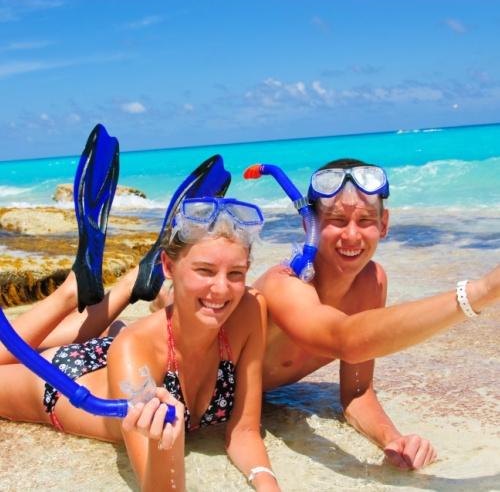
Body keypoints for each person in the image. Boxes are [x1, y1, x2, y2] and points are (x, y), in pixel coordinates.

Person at [0, 179, 280, 489]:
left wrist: (267, 483)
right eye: (205, 270)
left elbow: (244, 432)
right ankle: (73, 291)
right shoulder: (136, 347)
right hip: (66, 380)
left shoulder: (251, 309)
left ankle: (121, 289)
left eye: (236, 274)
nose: (222, 289)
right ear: (169, 267)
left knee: (128, 337)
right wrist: (166, 449)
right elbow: (156, 485)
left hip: (124, 354)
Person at [250, 158, 500, 471]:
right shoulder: (285, 284)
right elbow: (347, 339)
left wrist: (393, 440)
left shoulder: (373, 283)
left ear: (383, 225)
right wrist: (482, 292)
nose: (352, 236)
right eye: (338, 220)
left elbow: (357, 392)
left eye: (366, 220)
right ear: (308, 225)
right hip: (199, 401)